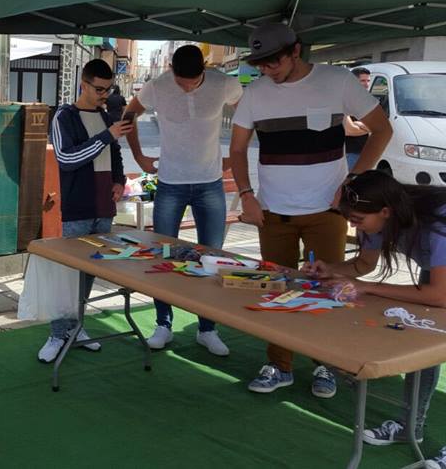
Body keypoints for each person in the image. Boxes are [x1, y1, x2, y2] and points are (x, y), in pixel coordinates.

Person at [230, 23, 393, 397]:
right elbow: (237, 149)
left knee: (330, 286)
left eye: (273, 61)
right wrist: (247, 194)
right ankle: (279, 363)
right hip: (273, 213)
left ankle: (326, 364)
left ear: (295, 51)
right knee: (277, 286)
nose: (267, 70)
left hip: (328, 212)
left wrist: (352, 181)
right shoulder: (255, 91)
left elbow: (381, 130)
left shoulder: (337, 81)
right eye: (260, 63)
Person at [301, 170, 446, 467]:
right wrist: (333, 269)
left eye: (357, 220)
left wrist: (366, 288)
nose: (353, 226)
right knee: (425, 337)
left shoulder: (436, 226)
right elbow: (365, 263)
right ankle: (410, 427)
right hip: (439, 275)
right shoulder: (380, 215)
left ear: (385, 211)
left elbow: (439, 296)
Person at [123, 44, 243, 356]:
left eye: (194, 81)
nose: (188, 86)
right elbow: (128, 114)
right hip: (170, 183)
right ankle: (163, 323)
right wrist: (138, 155)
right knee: (164, 255)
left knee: (213, 258)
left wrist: (236, 154)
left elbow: (249, 114)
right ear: (172, 71)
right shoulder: (157, 86)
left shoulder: (224, 83)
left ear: (205, 70)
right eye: (181, 81)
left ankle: (208, 328)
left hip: (210, 183)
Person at [38, 59, 132, 363]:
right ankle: (57, 332)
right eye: (100, 89)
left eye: (109, 89)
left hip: (103, 206)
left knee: (89, 272)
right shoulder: (64, 115)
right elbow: (66, 158)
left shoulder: (105, 117)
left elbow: (114, 153)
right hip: (78, 207)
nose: (104, 94)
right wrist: (108, 135)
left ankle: (77, 325)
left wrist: (119, 181)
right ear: (84, 83)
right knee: (68, 274)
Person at [344, 67, 373, 170]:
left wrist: (360, 125)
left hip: (364, 153)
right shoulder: (345, 100)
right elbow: (348, 130)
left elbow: (377, 125)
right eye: (363, 81)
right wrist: (370, 127)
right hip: (349, 154)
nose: (367, 84)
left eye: (368, 80)